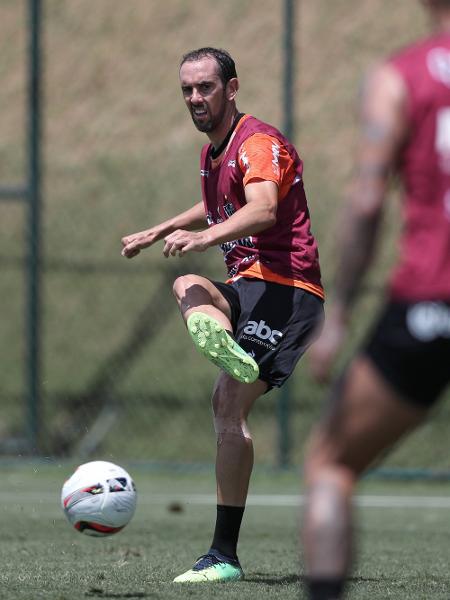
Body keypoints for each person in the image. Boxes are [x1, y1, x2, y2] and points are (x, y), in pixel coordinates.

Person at [121, 47, 324, 583]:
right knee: (186, 285)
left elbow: (262, 208)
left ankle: (223, 556)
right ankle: (230, 347)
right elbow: (215, 204)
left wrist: (203, 237)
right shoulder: (215, 153)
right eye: (187, 89)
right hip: (248, 287)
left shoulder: (256, 142)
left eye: (205, 87)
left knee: (228, 401)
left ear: (231, 89)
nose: (195, 98)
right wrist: (161, 230)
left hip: (288, 291)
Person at [302, 1, 450, 598]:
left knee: (331, 463)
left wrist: (336, 317)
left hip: (428, 304)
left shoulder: (401, 77)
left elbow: (366, 203)